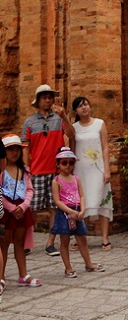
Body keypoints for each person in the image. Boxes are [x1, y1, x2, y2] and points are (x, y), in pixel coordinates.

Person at [21, 84, 76, 257]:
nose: (47, 100)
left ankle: (51, 243)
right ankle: (26, 242)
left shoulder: (58, 119)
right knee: (31, 208)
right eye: (44, 97)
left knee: (55, 208)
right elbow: (25, 147)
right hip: (36, 171)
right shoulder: (29, 122)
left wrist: (65, 117)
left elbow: (72, 134)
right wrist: (25, 168)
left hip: (55, 171)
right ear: (38, 101)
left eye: (50, 97)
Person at [51, 148, 104, 278]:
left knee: (82, 239)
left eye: (71, 163)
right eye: (64, 163)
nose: (68, 166)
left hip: (77, 211)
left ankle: (88, 263)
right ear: (58, 164)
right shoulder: (56, 181)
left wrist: (83, 209)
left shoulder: (76, 178)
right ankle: (68, 268)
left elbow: (81, 195)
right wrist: (70, 211)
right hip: (65, 213)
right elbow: (57, 201)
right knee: (65, 241)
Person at [0, 135, 41, 291]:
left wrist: (23, 206)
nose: (14, 152)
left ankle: (23, 274)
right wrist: (11, 208)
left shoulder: (24, 170)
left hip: (22, 210)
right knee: (3, 244)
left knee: (19, 243)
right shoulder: (1, 172)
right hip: (6, 210)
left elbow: (29, 189)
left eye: (17, 149)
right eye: (10, 149)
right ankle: (1, 277)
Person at [72, 96, 113, 250]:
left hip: (98, 168)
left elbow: (105, 147)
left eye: (86, 104)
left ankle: (105, 238)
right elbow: (71, 147)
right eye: (80, 106)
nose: (84, 107)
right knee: (83, 203)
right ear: (75, 110)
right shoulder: (74, 127)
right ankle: (81, 237)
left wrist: (107, 169)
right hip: (81, 169)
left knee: (102, 201)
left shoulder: (99, 124)